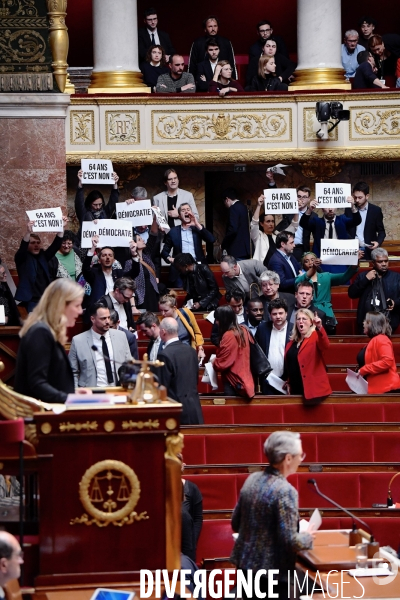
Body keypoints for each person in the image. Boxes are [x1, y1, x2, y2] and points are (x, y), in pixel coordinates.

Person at [231, 431, 314, 599]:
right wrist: (307, 536)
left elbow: (235, 522)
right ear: (288, 458)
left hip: (246, 567)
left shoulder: (252, 479)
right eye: (300, 455)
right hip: (272, 575)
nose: (301, 459)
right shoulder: (285, 491)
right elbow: (290, 541)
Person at [14, 279, 84, 403]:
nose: (80, 311)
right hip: (39, 416)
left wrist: (71, 392)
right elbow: (37, 383)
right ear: (61, 305)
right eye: (77, 305)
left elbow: (51, 379)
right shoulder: (40, 332)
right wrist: (70, 398)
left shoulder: (47, 331)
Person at [69, 303, 132, 388]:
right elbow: (73, 372)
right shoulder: (78, 341)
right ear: (93, 319)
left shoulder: (121, 336)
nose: (107, 322)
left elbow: (129, 364)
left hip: (118, 390)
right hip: (91, 392)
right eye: (103, 318)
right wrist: (76, 392)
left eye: (109, 318)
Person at [295, 253, 358, 334]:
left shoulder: (326, 276)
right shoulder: (301, 278)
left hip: (327, 314)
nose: (310, 263)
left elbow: (344, 277)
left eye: (312, 260)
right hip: (308, 314)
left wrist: (354, 263)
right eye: (306, 261)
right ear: (303, 265)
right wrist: (313, 268)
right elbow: (297, 282)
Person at [14, 217, 67, 313]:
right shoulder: (22, 258)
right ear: (28, 245)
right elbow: (22, 248)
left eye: (38, 243)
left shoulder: (43, 256)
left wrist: (61, 228)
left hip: (46, 299)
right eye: (33, 243)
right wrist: (28, 233)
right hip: (31, 302)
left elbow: (55, 246)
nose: (36, 245)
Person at [158, 317, 203, 425]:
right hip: (195, 409)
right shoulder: (192, 351)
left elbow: (163, 387)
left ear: (163, 332)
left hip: (176, 411)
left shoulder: (164, 355)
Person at [284, 308, 332, 403]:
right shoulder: (291, 343)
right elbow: (293, 364)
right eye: (298, 319)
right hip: (296, 390)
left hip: (313, 391)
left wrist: (319, 327)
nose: (301, 321)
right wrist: (289, 381)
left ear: (311, 322)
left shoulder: (315, 336)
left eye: (304, 319)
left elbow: (325, 345)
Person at [348, 247, 400, 334]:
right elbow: (352, 294)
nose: (384, 264)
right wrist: (366, 279)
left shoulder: (397, 277)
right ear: (373, 263)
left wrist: (395, 302)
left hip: (389, 322)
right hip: (366, 322)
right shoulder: (363, 276)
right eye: (380, 262)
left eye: (386, 261)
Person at [161, 204, 215, 280]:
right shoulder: (173, 232)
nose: (186, 211)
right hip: (180, 269)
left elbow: (212, 240)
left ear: (192, 213)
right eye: (183, 210)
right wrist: (171, 259)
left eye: (188, 210)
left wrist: (197, 224)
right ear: (179, 216)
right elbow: (164, 252)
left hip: (197, 267)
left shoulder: (197, 228)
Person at [299, 195, 361, 262]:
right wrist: (310, 209)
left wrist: (353, 207)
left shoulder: (342, 220)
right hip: (321, 260)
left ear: (336, 208)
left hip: (340, 259)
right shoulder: (317, 222)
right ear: (322, 209)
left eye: (333, 206)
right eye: (327, 206)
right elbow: (303, 223)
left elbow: (357, 221)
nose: (330, 209)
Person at [211, 305, 254, 398]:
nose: (216, 322)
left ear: (224, 320)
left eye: (218, 320)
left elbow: (222, 363)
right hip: (245, 378)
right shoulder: (243, 330)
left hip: (234, 381)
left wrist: (214, 361)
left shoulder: (229, 335)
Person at [356, 311, 400, 394]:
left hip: (386, 388)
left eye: (366, 321)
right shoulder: (375, 340)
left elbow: (387, 361)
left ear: (373, 324)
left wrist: (364, 369)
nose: (363, 323)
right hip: (377, 388)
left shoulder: (382, 339)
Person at [256, 298, 293, 394]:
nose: (278, 316)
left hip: (288, 380)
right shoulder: (262, 328)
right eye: (274, 314)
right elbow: (257, 352)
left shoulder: (294, 329)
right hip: (267, 379)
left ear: (286, 313)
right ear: (270, 315)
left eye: (281, 313)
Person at [124, 222, 161, 312]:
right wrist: (133, 305)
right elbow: (128, 284)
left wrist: (155, 219)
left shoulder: (147, 255)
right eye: (140, 239)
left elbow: (153, 235)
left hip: (152, 294)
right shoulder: (129, 262)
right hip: (140, 297)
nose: (143, 240)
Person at [251, 195, 298, 265]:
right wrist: (258, 206)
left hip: (277, 266)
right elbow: (254, 223)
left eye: (272, 221)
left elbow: (294, 226)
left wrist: (296, 209)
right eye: (268, 221)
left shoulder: (277, 235)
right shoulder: (258, 236)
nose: (271, 224)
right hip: (263, 268)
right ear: (261, 224)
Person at [345, 181, 386, 259]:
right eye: (355, 197)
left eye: (360, 197)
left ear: (367, 196)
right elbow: (346, 229)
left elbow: (381, 232)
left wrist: (378, 242)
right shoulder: (349, 209)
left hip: (369, 249)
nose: (356, 200)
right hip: (353, 249)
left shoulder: (376, 210)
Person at [158, 292, 205, 360]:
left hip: (188, 354)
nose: (163, 313)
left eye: (166, 310)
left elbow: (197, 333)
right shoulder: (161, 321)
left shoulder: (186, 313)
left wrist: (200, 349)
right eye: (161, 310)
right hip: (170, 356)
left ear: (174, 308)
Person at [188, 15, 237, 80]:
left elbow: (232, 63)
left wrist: (233, 82)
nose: (213, 29)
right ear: (205, 29)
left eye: (215, 26)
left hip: (223, 81)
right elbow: (192, 64)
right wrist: (191, 82)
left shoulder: (226, 42)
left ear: (218, 28)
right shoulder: (198, 43)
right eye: (210, 26)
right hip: (202, 80)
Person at [75, 169, 119, 239]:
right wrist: (80, 184)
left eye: (100, 204)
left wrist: (115, 184)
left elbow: (113, 202)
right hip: (87, 246)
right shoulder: (84, 213)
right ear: (89, 203)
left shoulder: (104, 212)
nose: (98, 207)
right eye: (95, 205)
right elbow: (79, 202)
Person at [82, 237, 124, 306]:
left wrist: (134, 254)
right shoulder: (94, 274)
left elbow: (133, 273)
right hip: (99, 309)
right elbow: (86, 269)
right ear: (99, 260)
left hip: (117, 308)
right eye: (104, 255)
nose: (107, 257)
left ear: (114, 260)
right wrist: (93, 248)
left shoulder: (118, 273)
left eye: (110, 255)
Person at [221, 189, 251, 260]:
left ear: (227, 199)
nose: (225, 206)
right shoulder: (244, 207)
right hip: (247, 249)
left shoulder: (233, 208)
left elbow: (233, 229)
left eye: (224, 203)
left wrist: (223, 244)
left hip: (237, 249)